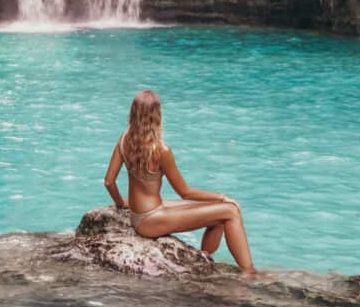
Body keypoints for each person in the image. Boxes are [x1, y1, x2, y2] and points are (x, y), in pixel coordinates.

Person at [103, 89, 258, 275]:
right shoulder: (161, 150)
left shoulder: (124, 139)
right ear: (157, 115)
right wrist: (224, 197)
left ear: (133, 112)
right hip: (152, 220)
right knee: (231, 211)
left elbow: (109, 181)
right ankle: (250, 272)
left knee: (217, 216)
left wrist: (121, 204)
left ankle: (202, 259)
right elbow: (185, 192)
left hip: (139, 217)